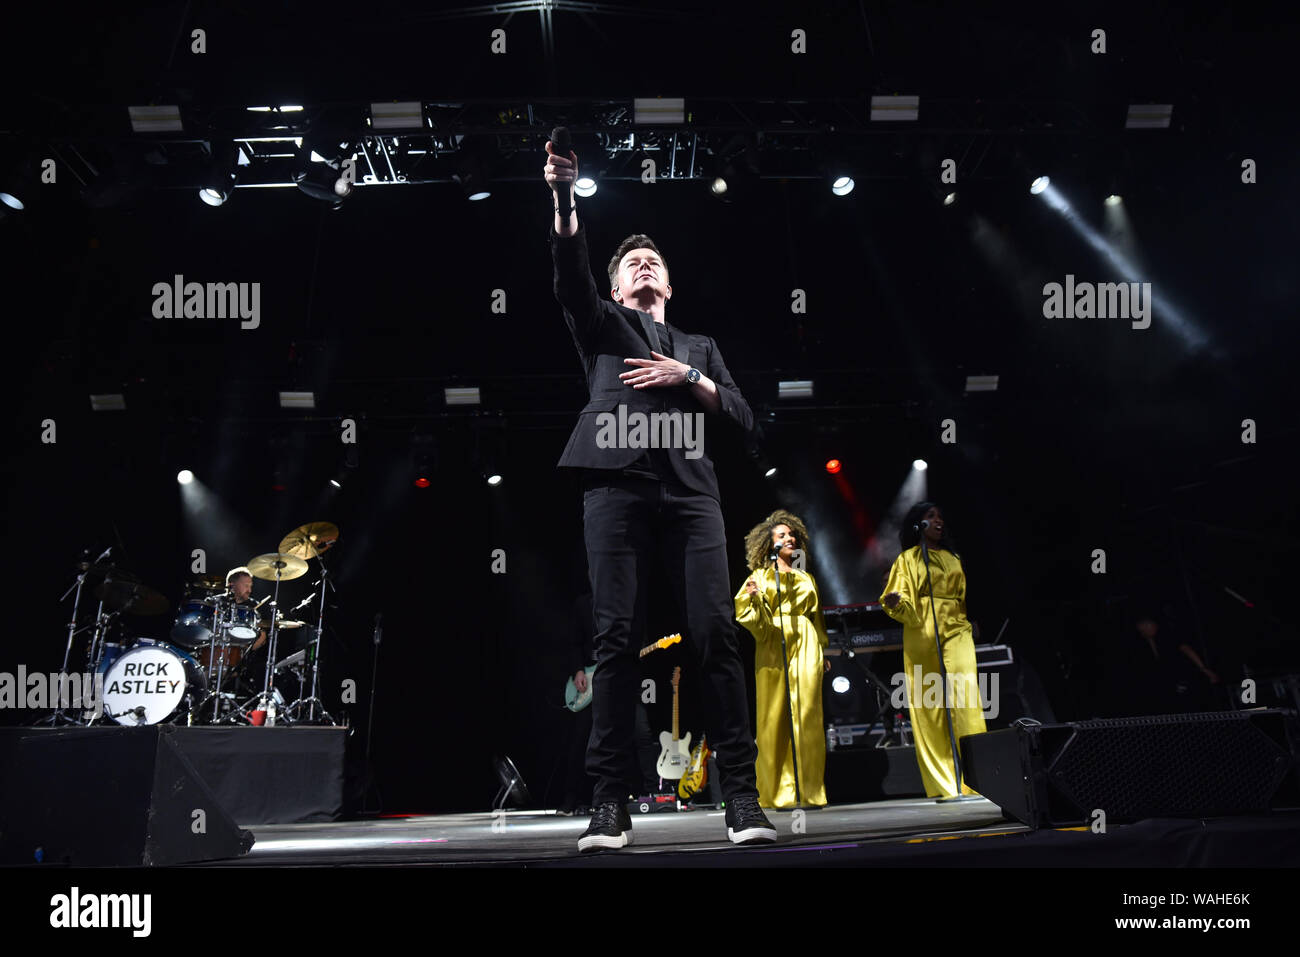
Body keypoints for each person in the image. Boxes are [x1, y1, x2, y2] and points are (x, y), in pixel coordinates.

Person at [544, 139, 776, 851]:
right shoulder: (602, 327)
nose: (642, 266)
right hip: (613, 488)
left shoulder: (699, 346)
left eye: (653, 262)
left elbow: (745, 422)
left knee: (714, 636)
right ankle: (610, 802)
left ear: (669, 285)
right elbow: (569, 281)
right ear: (617, 289)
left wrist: (689, 378)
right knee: (615, 640)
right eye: (629, 265)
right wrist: (563, 199)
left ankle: (742, 798)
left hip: (693, 496)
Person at [880, 503, 986, 798]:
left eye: (940, 516)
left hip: (956, 628)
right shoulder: (908, 559)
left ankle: (977, 779)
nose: (938, 520)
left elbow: (962, 597)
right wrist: (894, 602)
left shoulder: (953, 558)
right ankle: (944, 782)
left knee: (965, 700)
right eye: (931, 517)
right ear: (918, 524)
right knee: (931, 704)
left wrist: (967, 621)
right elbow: (900, 597)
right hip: (923, 631)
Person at [734, 510, 830, 808]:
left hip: (805, 641)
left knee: (807, 716)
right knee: (774, 717)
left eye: (791, 534)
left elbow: (817, 619)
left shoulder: (805, 577)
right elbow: (748, 617)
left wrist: (823, 650)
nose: (789, 538)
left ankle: (809, 790)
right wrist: (751, 598)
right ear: (769, 543)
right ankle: (776, 791)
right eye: (781, 535)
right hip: (773, 642)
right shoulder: (759, 577)